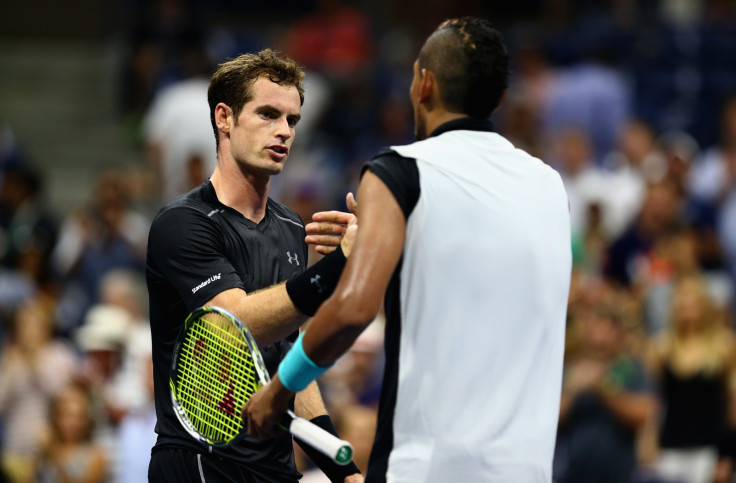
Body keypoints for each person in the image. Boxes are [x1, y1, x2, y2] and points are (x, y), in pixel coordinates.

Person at [245, 17, 573, 482]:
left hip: (428, 468)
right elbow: (477, 267)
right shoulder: (549, 185)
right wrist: (386, 234)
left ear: (424, 85)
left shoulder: (398, 170)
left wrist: (280, 389)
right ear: (499, 100)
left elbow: (353, 309)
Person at [145, 49, 361, 482]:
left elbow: (287, 362)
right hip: (199, 463)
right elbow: (234, 325)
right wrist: (340, 265)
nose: (283, 131)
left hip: (275, 471)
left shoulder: (290, 226)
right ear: (224, 118)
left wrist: (346, 475)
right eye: (267, 114)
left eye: (292, 120)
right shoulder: (182, 224)